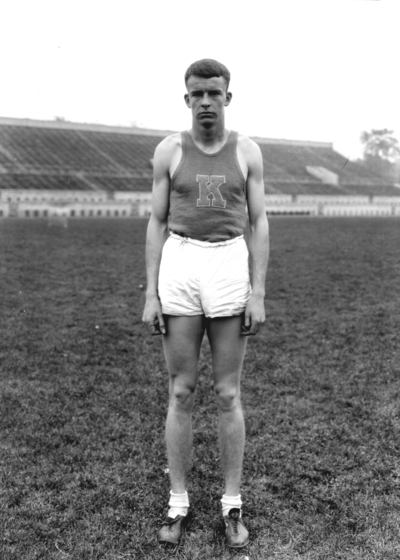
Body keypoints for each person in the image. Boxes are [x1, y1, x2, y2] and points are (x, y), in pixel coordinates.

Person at [142, 59, 269, 549]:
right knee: (180, 390)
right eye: (197, 94)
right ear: (187, 98)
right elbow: (155, 221)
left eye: (214, 93)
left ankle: (231, 504)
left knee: (228, 393)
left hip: (228, 264)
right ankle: (178, 503)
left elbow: (259, 223)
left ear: (228, 98)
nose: (206, 102)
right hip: (181, 263)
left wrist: (256, 291)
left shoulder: (247, 152)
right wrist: (151, 291)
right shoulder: (170, 150)